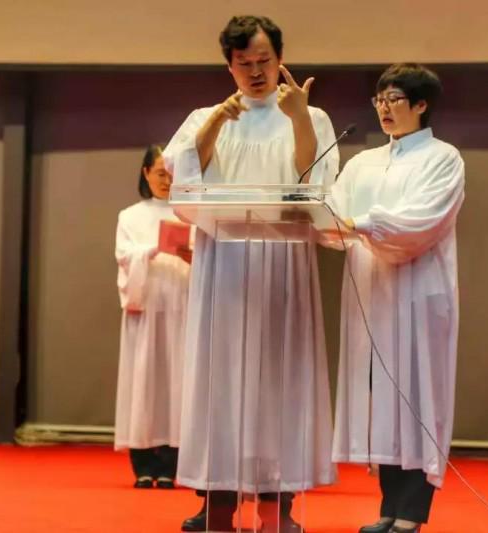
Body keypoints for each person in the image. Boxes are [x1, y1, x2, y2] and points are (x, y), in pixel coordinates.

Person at [163, 15, 339, 533]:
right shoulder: (204, 115)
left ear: (279, 58)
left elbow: (315, 180)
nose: (256, 72)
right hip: (224, 266)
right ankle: (218, 507)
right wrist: (217, 122)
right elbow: (181, 176)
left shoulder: (310, 114)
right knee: (220, 381)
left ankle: (276, 510)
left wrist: (300, 117)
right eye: (245, 64)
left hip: (283, 265)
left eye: (265, 61)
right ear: (229, 65)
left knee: (278, 381)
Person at [329, 63, 465, 533]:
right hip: (372, 292)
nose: (384, 109)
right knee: (380, 398)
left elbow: (420, 221)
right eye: (379, 100)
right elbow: (334, 216)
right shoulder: (362, 162)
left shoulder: (443, 158)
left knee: (415, 395)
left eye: (394, 99)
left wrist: (361, 223)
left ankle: (411, 512)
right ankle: (388, 507)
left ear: (421, 105)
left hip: (417, 292)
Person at [113, 144, 191, 490]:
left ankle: (173, 463)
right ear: (146, 173)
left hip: (181, 304)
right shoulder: (130, 216)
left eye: (171, 173)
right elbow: (125, 257)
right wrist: (153, 249)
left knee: (178, 381)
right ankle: (143, 462)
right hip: (147, 307)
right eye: (160, 172)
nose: (166, 179)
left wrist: (188, 253)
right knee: (144, 381)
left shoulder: (190, 213)